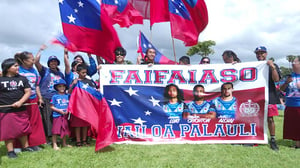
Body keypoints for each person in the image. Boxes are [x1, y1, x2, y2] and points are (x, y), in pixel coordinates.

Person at [0, 58, 32, 158]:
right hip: (6, 110)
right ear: (8, 68)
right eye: (15, 66)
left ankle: (25, 147)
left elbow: (28, 92)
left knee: (23, 129)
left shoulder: (22, 79)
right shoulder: (1, 80)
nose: (18, 67)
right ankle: (10, 151)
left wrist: (20, 102)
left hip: (20, 108)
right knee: (8, 131)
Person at [14, 51, 46, 151]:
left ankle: (33, 144)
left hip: (33, 99)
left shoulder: (34, 70)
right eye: (31, 59)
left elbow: (36, 85)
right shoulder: (17, 70)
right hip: (20, 100)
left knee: (34, 122)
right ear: (24, 61)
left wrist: (39, 97)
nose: (33, 61)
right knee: (20, 123)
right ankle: (18, 145)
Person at [35, 45, 65, 142]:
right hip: (46, 97)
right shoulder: (45, 71)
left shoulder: (60, 74)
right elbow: (36, 62)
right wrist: (40, 50)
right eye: (51, 61)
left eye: (55, 61)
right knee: (47, 118)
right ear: (49, 63)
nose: (53, 63)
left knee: (56, 118)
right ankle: (48, 138)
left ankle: (56, 137)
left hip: (57, 98)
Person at [255, 46, 281, 151]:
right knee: (256, 118)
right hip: (256, 96)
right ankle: (256, 137)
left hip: (269, 94)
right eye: (258, 53)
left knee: (270, 118)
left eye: (262, 53)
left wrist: (272, 67)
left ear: (266, 54)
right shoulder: (254, 66)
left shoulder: (272, 65)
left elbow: (276, 79)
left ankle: (273, 139)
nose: (260, 55)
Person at [69, 64, 97, 147]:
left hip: (86, 106)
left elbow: (94, 92)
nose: (85, 74)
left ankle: (84, 140)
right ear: (78, 72)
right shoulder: (75, 81)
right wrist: (73, 84)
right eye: (83, 72)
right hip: (77, 106)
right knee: (77, 125)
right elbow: (69, 92)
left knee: (85, 124)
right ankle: (78, 141)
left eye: (85, 72)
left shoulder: (89, 81)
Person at [280, 56, 300, 149]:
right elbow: (281, 89)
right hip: (290, 104)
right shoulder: (290, 76)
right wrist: (286, 83)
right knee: (293, 125)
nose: (292, 65)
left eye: (294, 63)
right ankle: (297, 144)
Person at [50, 79, 72, 150]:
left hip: (65, 116)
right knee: (55, 130)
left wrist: (68, 110)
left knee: (64, 130)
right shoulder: (55, 96)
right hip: (57, 115)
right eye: (60, 86)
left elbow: (70, 104)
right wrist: (59, 110)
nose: (62, 88)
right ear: (57, 88)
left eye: (63, 86)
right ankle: (54, 144)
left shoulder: (67, 96)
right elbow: (51, 106)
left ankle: (64, 143)